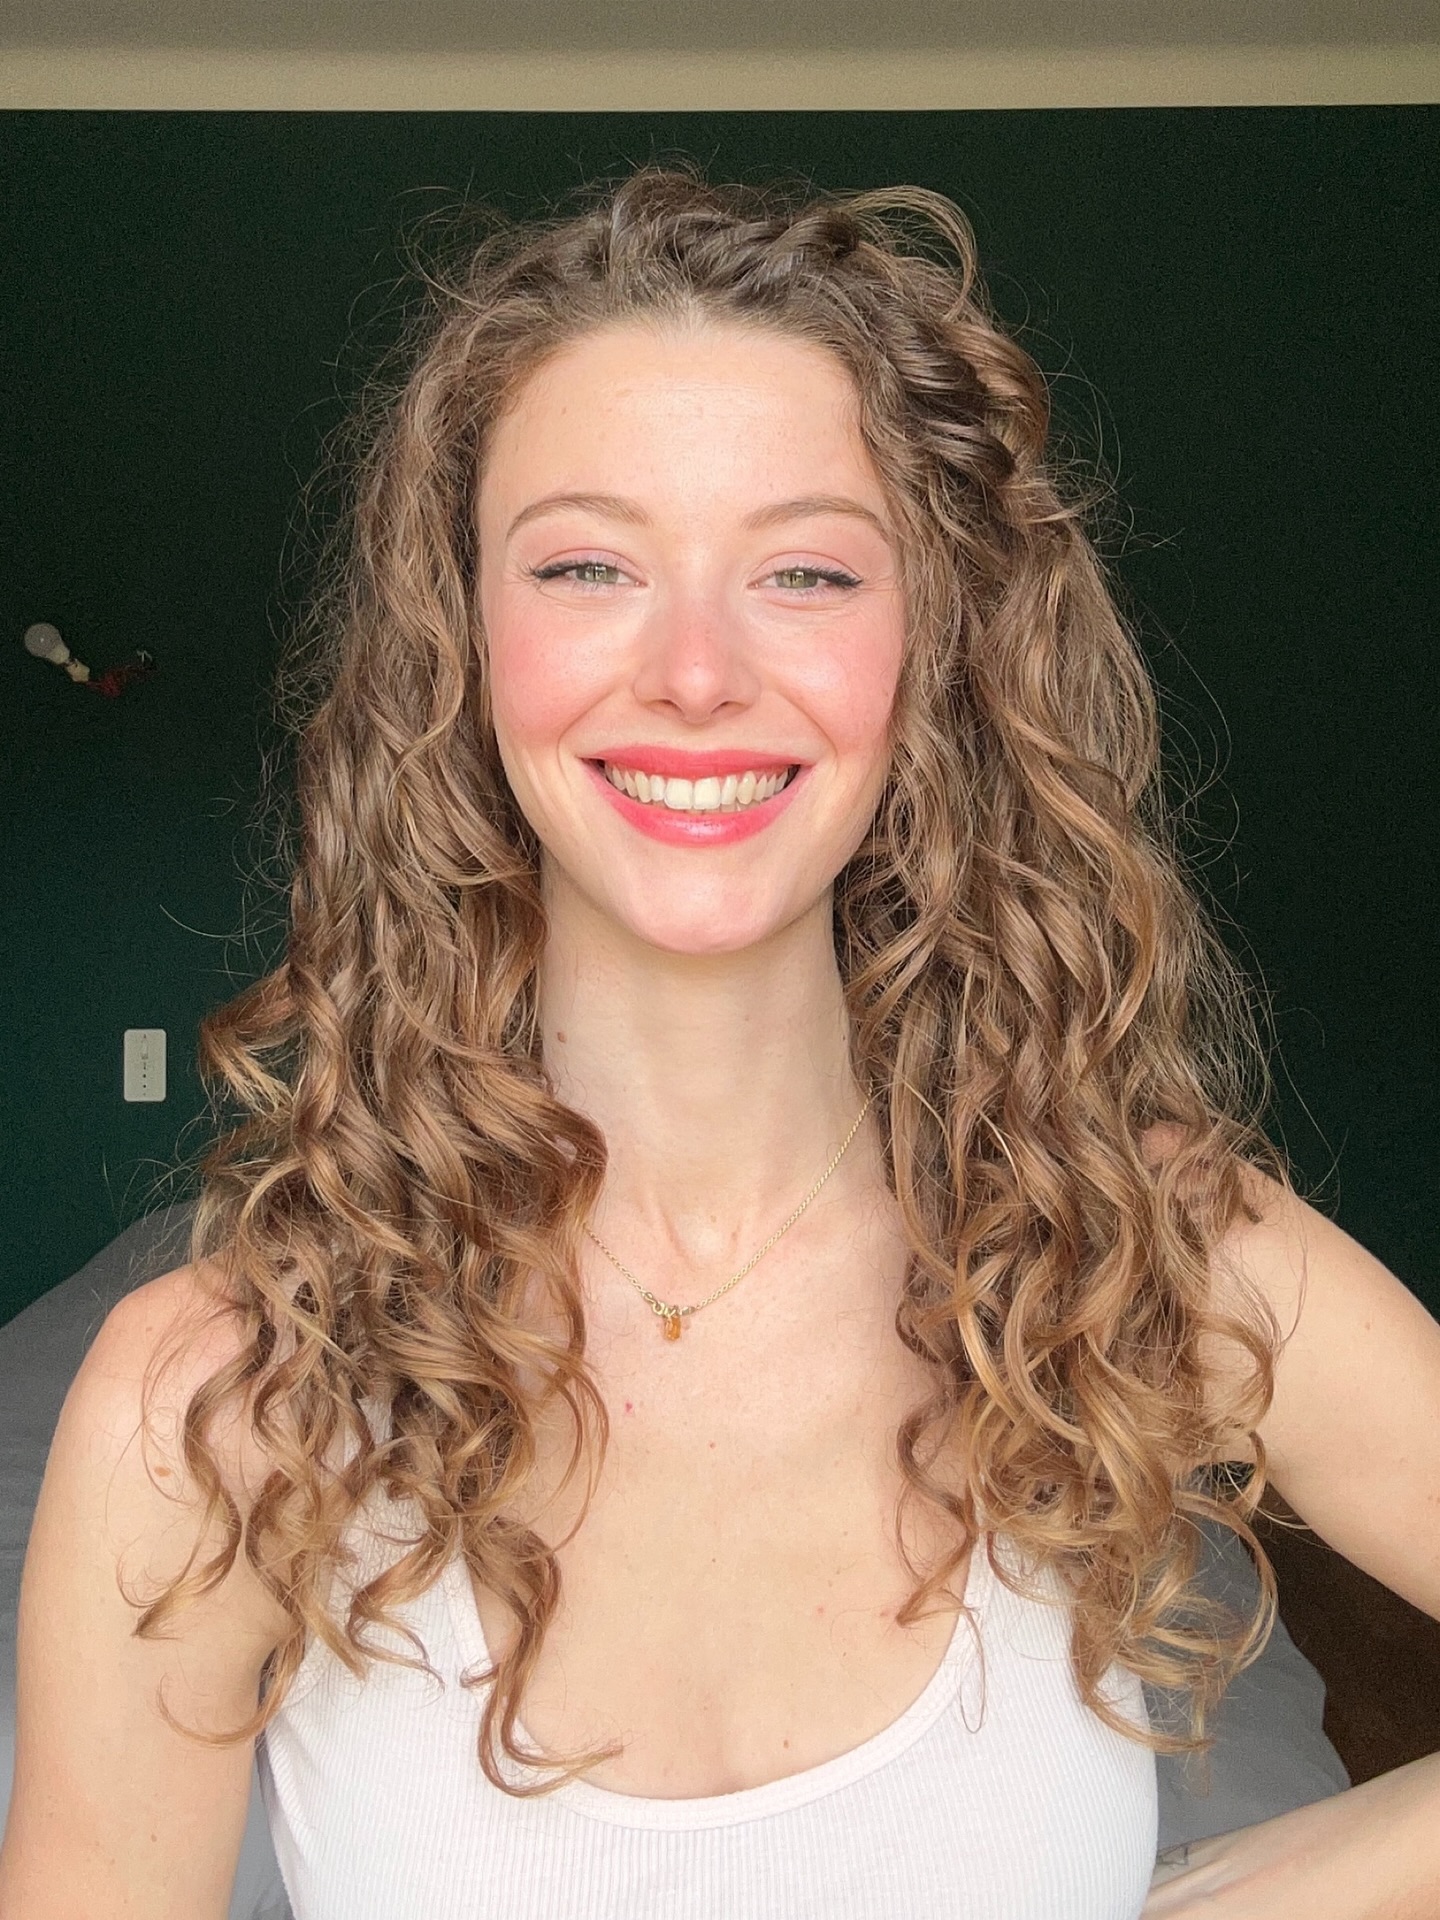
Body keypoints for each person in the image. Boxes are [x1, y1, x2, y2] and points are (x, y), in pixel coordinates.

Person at [1, 164, 1436, 1920]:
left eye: (808, 571)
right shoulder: (211, 1402)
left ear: (936, 650)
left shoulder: (1142, 1251)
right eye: (588, 565)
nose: (696, 671)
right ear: (463, 645)